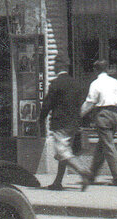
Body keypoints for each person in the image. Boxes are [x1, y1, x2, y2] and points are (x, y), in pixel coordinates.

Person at [38, 62, 91, 191]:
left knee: (62, 152)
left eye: (55, 66)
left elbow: (47, 104)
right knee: (65, 150)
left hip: (60, 123)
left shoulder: (56, 84)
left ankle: (83, 170)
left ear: (58, 67)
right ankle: (57, 182)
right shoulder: (77, 84)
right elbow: (82, 103)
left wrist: (41, 118)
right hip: (73, 123)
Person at [80, 60, 117, 187]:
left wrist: (79, 114)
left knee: (108, 146)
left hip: (102, 115)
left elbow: (90, 102)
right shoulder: (115, 82)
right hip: (114, 115)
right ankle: (92, 175)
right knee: (102, 147)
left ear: (96, 70)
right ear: (106, 69)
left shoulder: (95, 84)